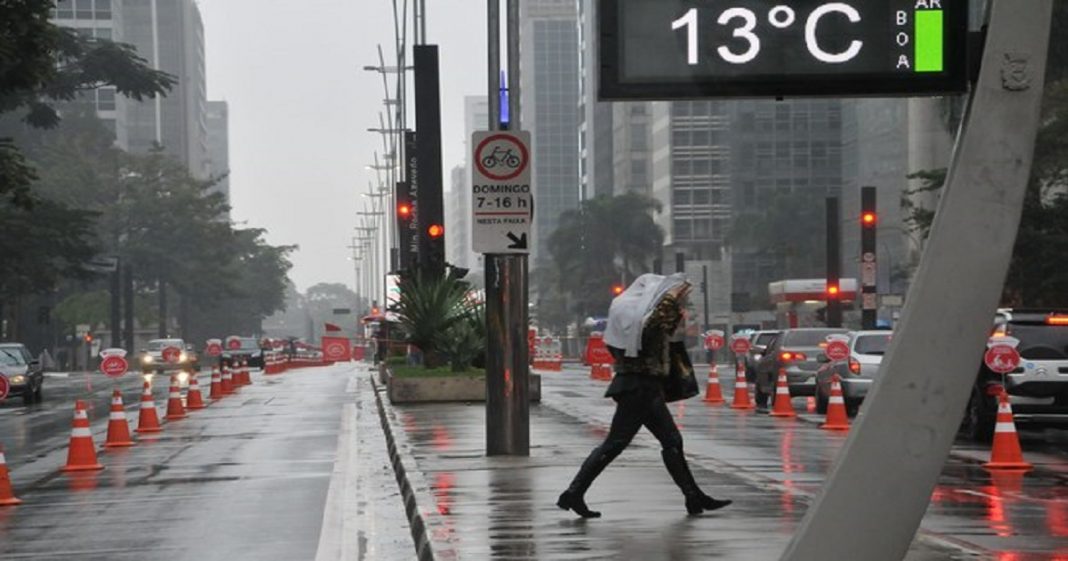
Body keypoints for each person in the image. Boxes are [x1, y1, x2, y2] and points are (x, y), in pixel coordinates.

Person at [557, 273, 732, 518]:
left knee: (671, 441)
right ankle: (573, 493)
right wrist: (670, 297)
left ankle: (694, 497)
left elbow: (653, 333)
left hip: (642, 386)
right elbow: (655, 328)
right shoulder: (642, 323)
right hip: (639, 388)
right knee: (616, 443)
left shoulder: (626, 323)